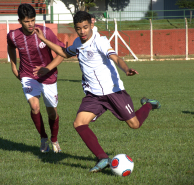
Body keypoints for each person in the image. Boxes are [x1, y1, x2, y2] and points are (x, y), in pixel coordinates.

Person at [34, 11, 161, 172]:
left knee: (134, 124)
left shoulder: (100, 42)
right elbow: (65, 53)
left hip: (113, 92)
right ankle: (102, 158)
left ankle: (149, 104)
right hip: (93, 95)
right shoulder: (77, 43)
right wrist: (44, 40)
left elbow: (116, 58)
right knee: (79, 123)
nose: (82, 31)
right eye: (79, 28)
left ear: (92, 25)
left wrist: (126, 69)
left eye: (85, 27)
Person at [7, 3, 65, 153]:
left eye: (33, 20)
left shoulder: (46, 32)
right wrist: (14, 66)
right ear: (20, 21)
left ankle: (54, 139)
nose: (31, 24)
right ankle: (43, 138)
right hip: (27, 75)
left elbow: (62, 53)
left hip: (48, 75)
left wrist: (47, 68)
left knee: (52, 112)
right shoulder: (13, 35)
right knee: (34, 107)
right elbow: (11, 46)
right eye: (27, 21)